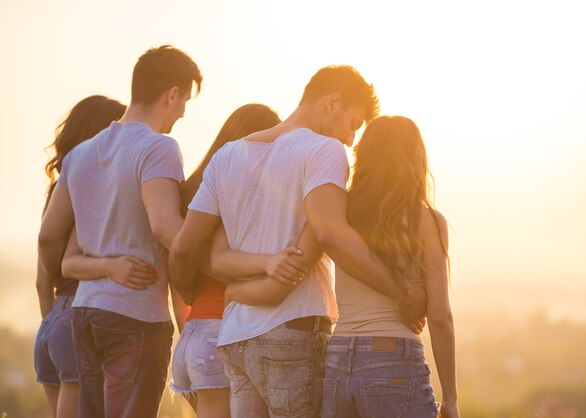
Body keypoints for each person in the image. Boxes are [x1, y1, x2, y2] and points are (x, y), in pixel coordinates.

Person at [170, 65, 427, 418]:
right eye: (353, 123)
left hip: (235, 336)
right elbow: (331, 233)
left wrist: (197, 294)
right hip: (292, 329)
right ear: (332, 102)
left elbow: (184, 247)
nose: (350, 140)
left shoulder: (227, 156)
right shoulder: (322, 151)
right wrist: (401, 294)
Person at [37, 45, 202, 418]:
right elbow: (164, 226)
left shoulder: (81, 153)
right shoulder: (158, 148)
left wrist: (64, 282)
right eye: (184, 102)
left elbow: (48, 235)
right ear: (171, 94)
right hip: (136, 316)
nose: (182, 113)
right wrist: (214, 262)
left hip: (85, 312)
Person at [321, 116, 459, 418]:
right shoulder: (427, 222)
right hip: (393, 360)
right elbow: (439, 318)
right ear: (415, 160)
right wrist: (451, 399)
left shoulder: (342, 210)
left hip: (337, 358)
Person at [171, 104, 281, 418]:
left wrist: (191, 334)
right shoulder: (241, 198)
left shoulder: (193, 192)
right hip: (225, 335)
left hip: (194, 335)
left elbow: (177, 270)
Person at [34, 95, 126, 418]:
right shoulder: (89, 188)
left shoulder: (56, 190)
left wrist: (53, 322)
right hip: (78, 314)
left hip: (52, 321)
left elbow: (41, 281)